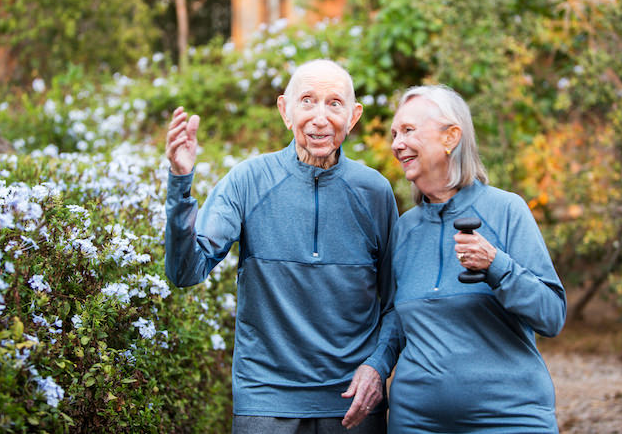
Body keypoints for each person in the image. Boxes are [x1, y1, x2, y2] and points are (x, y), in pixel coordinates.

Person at [164, 59, 401, 433]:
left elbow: (394, 302)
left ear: (353, 117)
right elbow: (185, 270)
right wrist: (180, 181)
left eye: (334, 103)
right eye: (307, 100)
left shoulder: (375, 192)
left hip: (353, 402)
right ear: (285, 111)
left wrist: (378, 366)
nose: (320, 117)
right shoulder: (247, 181)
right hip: (265, 399)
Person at [387, 84, 567, 432]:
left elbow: (552, 315)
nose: (396, 144)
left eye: (408, 130)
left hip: (509, 417)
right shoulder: (404, 229)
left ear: (451, 137)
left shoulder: (507, 210)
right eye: (394, 134)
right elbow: (396, 321)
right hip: (417, 421)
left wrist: (497, 266)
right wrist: (374, 369)